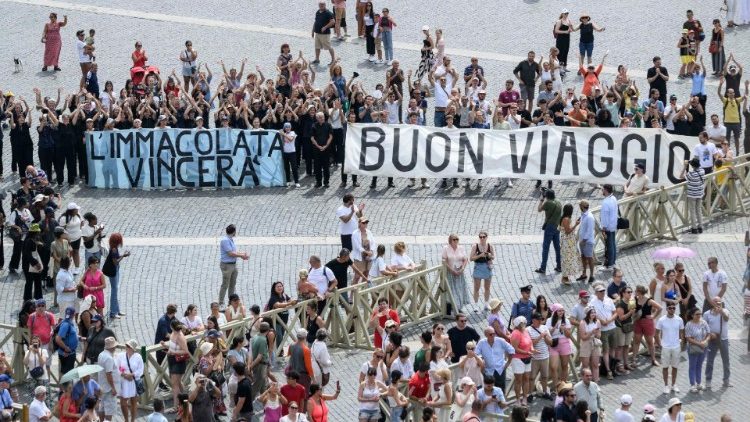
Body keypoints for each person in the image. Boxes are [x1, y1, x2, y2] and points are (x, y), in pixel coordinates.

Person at [656, 303, 684, 394]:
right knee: (665, 367)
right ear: (667, 309)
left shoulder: (679, 320)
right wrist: (660, 344)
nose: (672, 309)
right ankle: (666, 385)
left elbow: (682, 333)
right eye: (670, 308)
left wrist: (681, 343)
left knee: (675, 367)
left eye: (674, 308)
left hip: (676, 346)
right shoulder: (661, 320)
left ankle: (674, 384)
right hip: (666, 347)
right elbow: (656, 333)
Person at [476, 326, 515, 392]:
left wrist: (508, 363)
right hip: (488, 370)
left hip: (500, 369)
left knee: (501, 389)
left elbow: (511, 350)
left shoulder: (500, 341)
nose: (493, 335)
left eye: (494, 333)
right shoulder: (481, 343)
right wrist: (481, 362)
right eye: (491, 334)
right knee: (489, 390)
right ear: (486, 335)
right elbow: (476, 354)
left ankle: (501, 401)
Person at [703, 297, 731, 389]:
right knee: (710, 361)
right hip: (712, 340)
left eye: (719, 302)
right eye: (715, 302)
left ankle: (726, 380)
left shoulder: (725, 311)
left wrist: (721, 312)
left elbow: (726, 319)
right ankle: (708, 380)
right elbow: (704, 327)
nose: (717, 304)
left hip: (723, 339)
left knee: (726, 360)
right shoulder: (707, 314)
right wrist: (710, 334)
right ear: (712, 303)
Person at [218, 224, 249, 306]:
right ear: (234, 231)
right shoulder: (225, 240)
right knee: (225, 284)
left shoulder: (230, 239)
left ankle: (230, 301)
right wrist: (242, 255)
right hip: (227, 265)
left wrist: (242, 254)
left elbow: (234, 252)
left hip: (233, 265)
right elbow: (230, 253)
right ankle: (221, 302)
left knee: (232, 283)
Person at [536, 189, 562, 274]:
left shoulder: (548, 203)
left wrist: (541, 200)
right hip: (557, 226)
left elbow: (539, 209)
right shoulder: (558, 202)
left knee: (546, 247)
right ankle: (559, 266)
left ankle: (543, 268)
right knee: (557, 247)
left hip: (550, 226)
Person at [684, 307, 710, 393]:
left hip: (703, 347)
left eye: (700, 314)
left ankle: (698, 383)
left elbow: (708, 333)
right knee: (692, 366)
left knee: (699, 365)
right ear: (692, 315)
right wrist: (700, 344)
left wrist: (705, 341)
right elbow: (688, 338)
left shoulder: (704, 322)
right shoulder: (689, 324)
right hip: (694, 347)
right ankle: (692, 384)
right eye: (697, 314)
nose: (699, 316)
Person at [117, 339, 143, 422]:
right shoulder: (120, 355)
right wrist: (124, 375)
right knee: (123, 402)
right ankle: (126, 420)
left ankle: (132, 420)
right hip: (124, 381)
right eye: (126, 345)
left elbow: (140, 370)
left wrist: (132, 375)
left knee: (133, 402)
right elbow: (116, 368)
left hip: (133, 381)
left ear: (133, 348)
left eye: (129, 346)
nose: (127, 347)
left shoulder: (138, 357)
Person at [528, 312, 552, 401]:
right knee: (532, 377)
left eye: (541, 319)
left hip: (545, 356)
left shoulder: (545, 328)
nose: (540, 321)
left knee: (545, 376)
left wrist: (545, 337)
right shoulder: (528, 330)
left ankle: (545, 392)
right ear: (533, 320)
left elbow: (550, 342)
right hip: (534, 358)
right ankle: (530, 394)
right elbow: (530, 344)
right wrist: (540, 336)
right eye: (539, 320)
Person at [105, 232, 129, 320]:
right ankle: (113, 312)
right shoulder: (114, 249)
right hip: (113, 271)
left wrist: (122, 255)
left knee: (115, 289)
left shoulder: (113, 248)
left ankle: (117, 310)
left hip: (114, 270)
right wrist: (123, 256)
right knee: (114, 291)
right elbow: (116, 262)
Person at [442, 234, 469, 313]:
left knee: (459, 289)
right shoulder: (446, 248)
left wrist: (463, 268)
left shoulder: (461, 248)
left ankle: (458, 308)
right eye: (454, 239)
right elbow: (444, 261)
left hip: (459, 272)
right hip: (450, 272)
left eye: (457, 239)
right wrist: (451, 270)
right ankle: (449, 308)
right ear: (450, 240)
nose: (456, 241)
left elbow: (465, 259)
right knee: (451, 290)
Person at [97, 337, 120, 421]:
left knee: (102, 407)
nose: (115, 348)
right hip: (108, 388)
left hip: (102, 386)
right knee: (109, 410)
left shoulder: (101, 354)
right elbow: (108, 374)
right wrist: (113, 388)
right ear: (112, 347)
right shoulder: (109, 358)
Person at [681, 158, 706, 234]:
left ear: (692, 166)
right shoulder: (702, 171)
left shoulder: (691, 174)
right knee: (698, 210)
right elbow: (698, 166)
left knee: (692, 211)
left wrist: (685, 166)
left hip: (692, 195)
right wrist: (690, 162)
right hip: (700, 193)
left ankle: (694, 228)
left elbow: (681, 175)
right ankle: (700, 227)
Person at [470, 231, 494, 304]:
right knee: (476, 288)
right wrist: (480, 255)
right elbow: (471, 258)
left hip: (487, 267)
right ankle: (476, 304)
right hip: (478, 267)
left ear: (486, 237)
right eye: (480, 237)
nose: (482, 238)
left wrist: (489, 255)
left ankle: (486, 303)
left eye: (484, 237)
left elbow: (493, 257)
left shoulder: (490, 246)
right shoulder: (475, 246)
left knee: (487, 288)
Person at [55, 306, 78, 377]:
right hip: (67, 353)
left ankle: (66, 387)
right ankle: (65, 388)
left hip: (69, 353)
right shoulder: (66, 324)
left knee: (67, 374)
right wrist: (65, 348)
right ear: (74, 314)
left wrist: (79, 337)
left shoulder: (69, 322)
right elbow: (58, 339)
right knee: (67, 375)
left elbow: (70, 335)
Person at [599, 184, 618, 268]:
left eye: (603, 189)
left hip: (608, 227)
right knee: (613, 244)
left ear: (606, 190)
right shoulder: (613, 198)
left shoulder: (605, 202)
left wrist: (603, 227)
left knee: (609, 245)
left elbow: (605, 217)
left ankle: (610, 263)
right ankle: (613, 261)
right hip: (613, 224)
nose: (602, 191)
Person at [312, 1, 336, 65]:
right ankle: (317, 59)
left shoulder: (328, 13)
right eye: (320, 5)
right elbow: (316, 21)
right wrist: (313, 30)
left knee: (329, 47)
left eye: (322, 5)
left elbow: (333, 21)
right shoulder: (318, 12)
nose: (321, 6)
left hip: (325, 34)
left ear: (325, 5)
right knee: (317, 47)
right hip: (318, 33)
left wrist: (325, 27)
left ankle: (333, 60)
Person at [576, 201, 594, 283]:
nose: (579, 206)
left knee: (590, 258)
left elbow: (590, 230)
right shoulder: (583, 215)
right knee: (583, 257)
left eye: (580, 205)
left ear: (583, 206)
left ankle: (592, 275)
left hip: (587, 241)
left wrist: (584, 240)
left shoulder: (589, 217)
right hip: (582, 240)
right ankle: (584, 274)